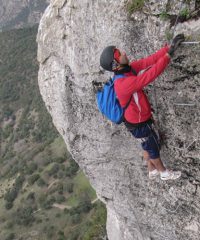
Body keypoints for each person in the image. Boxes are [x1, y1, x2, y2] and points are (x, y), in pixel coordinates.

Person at [99, 34, 185, 180]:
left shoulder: (128, 70)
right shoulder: (123, 84)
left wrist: (167, 48)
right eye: (119, 54)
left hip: (139, 120)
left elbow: (148, 61)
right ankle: (164, 173)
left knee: (147, 145)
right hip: (139, 124)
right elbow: (150, 75)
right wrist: (168, 56)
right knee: (153, 148)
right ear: (115, 64)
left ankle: (151, 170)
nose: (123, 53)